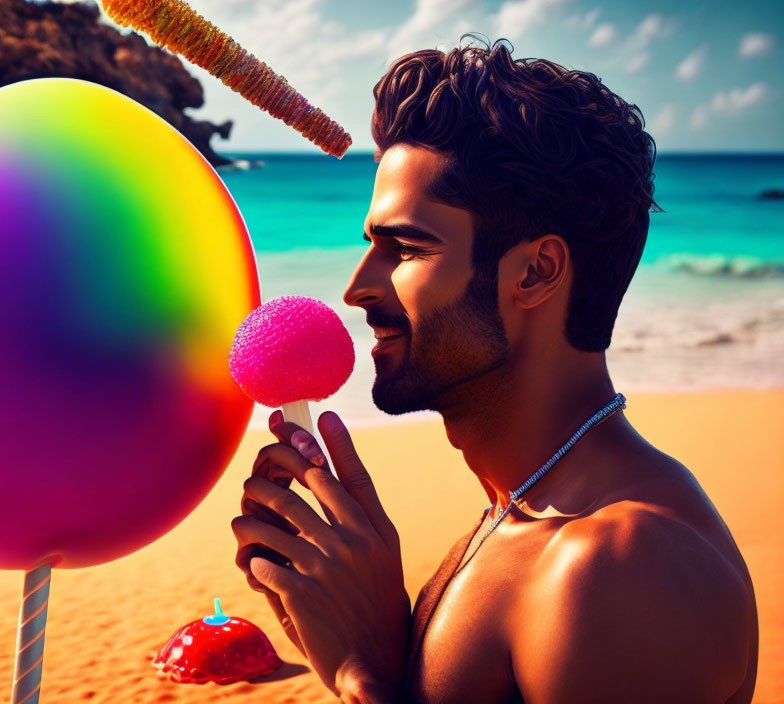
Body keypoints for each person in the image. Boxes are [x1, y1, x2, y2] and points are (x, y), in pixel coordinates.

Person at [230, 40, 758, 703]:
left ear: (535, 272)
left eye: (408, 247)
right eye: (371, 245)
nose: (356, 288)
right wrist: (359, 641)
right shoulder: (516, 515)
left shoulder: (620, 568)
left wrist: (361, 676)